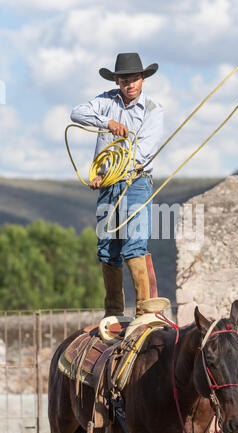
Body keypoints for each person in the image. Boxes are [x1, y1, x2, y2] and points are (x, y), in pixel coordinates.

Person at [70, 52, 164, 318]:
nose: (130, 84)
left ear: (143, 79)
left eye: (135, 79)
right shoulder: (105, 101)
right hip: (108, 187)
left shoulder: (153, 110)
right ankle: (113, 314)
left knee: (134, 245)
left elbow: (143, 152)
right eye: (125, 80)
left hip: (136, 184)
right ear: (117, 81)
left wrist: (111, 169)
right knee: (106, 248)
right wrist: (107, 123)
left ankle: (144, 315)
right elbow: (76, 113)